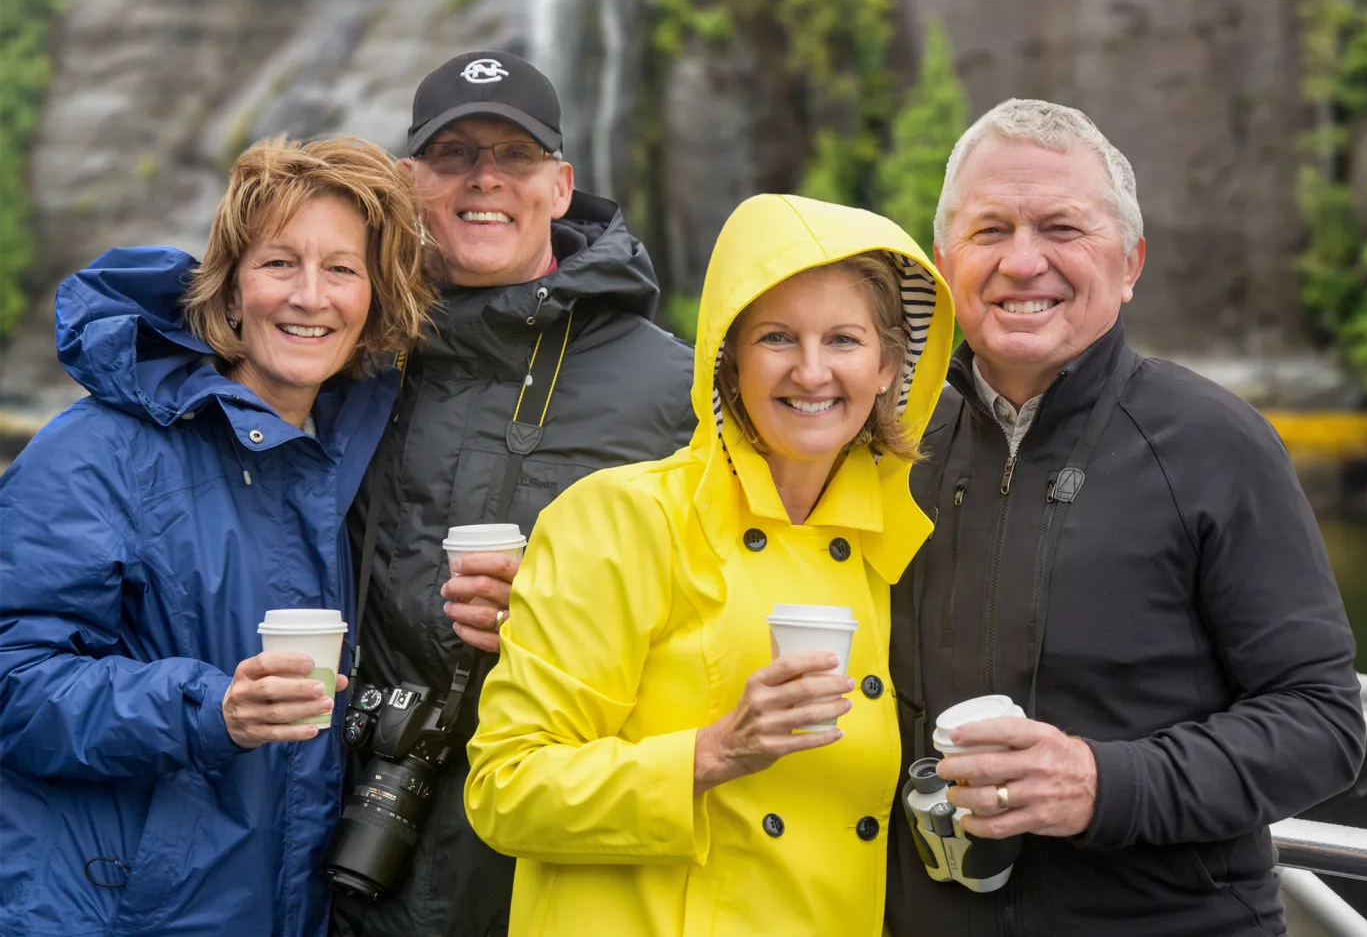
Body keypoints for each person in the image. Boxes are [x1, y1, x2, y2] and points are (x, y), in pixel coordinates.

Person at [885, 98, 1367, 936]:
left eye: (1061, 228)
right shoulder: (891, 446)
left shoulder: (1215, 443)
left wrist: (1103, 785)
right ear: (943, 259)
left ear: (1131, 260)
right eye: (989, 230)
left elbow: (1320, 723)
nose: (1022, 261)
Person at [466, 193, 957, 936]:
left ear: (890, 365)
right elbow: (505, 789)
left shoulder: (893, 548)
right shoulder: (621, 518)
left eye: (845, 341)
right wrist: (714, 752)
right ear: (727, 356)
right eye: (777, 338)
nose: (812, 372)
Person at [0, 137, 435, 937]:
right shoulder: (97, 449)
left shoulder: (364, 456)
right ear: (230, 291)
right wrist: (210, 709)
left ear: (374, 300)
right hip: (117, 909)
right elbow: (15, 683)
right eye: (279, 264)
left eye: (341, 269)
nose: (310, 296)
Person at [330, 51, 696, 937]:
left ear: (561, 186)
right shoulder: (345, 354)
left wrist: (567, 606)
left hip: (555, 856)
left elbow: (727, 605)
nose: (483, 178)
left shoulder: (676, 389)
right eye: (453, 155)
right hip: (346, 837)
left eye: (514, 156)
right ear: (408, 183)